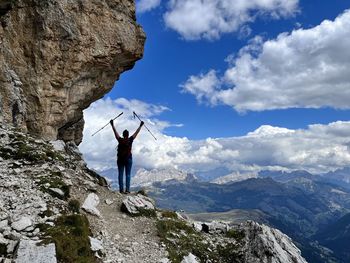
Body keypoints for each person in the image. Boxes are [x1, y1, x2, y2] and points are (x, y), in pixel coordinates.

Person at [110, 119, 144, 194]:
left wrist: (112, 125)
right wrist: (140, 126)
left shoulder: (120, 140)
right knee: (128, 174)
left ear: (123, 134)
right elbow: (136, 133)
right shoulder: (130, 140)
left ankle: (121, 190)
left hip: (120, 159)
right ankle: (127, 190)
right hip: (128, 159)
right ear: (128, 135)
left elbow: (115, 133)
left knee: (120, 174)